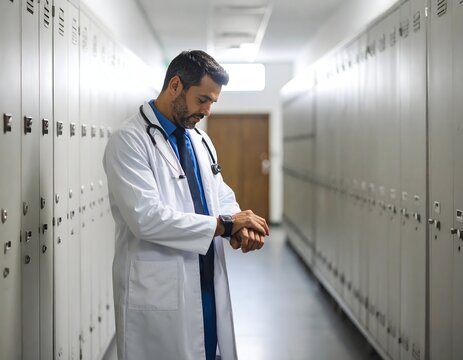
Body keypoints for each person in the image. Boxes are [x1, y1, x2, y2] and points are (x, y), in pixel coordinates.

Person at [103, 50, 270, 360]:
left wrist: (238, 228)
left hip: (205, 277)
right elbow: (146, 217)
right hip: (160, 287)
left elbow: (219, 193)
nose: (207, 110)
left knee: (208, 350)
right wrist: (225, 225)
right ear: (176, 86)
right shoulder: (129, 141)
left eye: (212, 102)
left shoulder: (200, 141)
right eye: (202, 100)